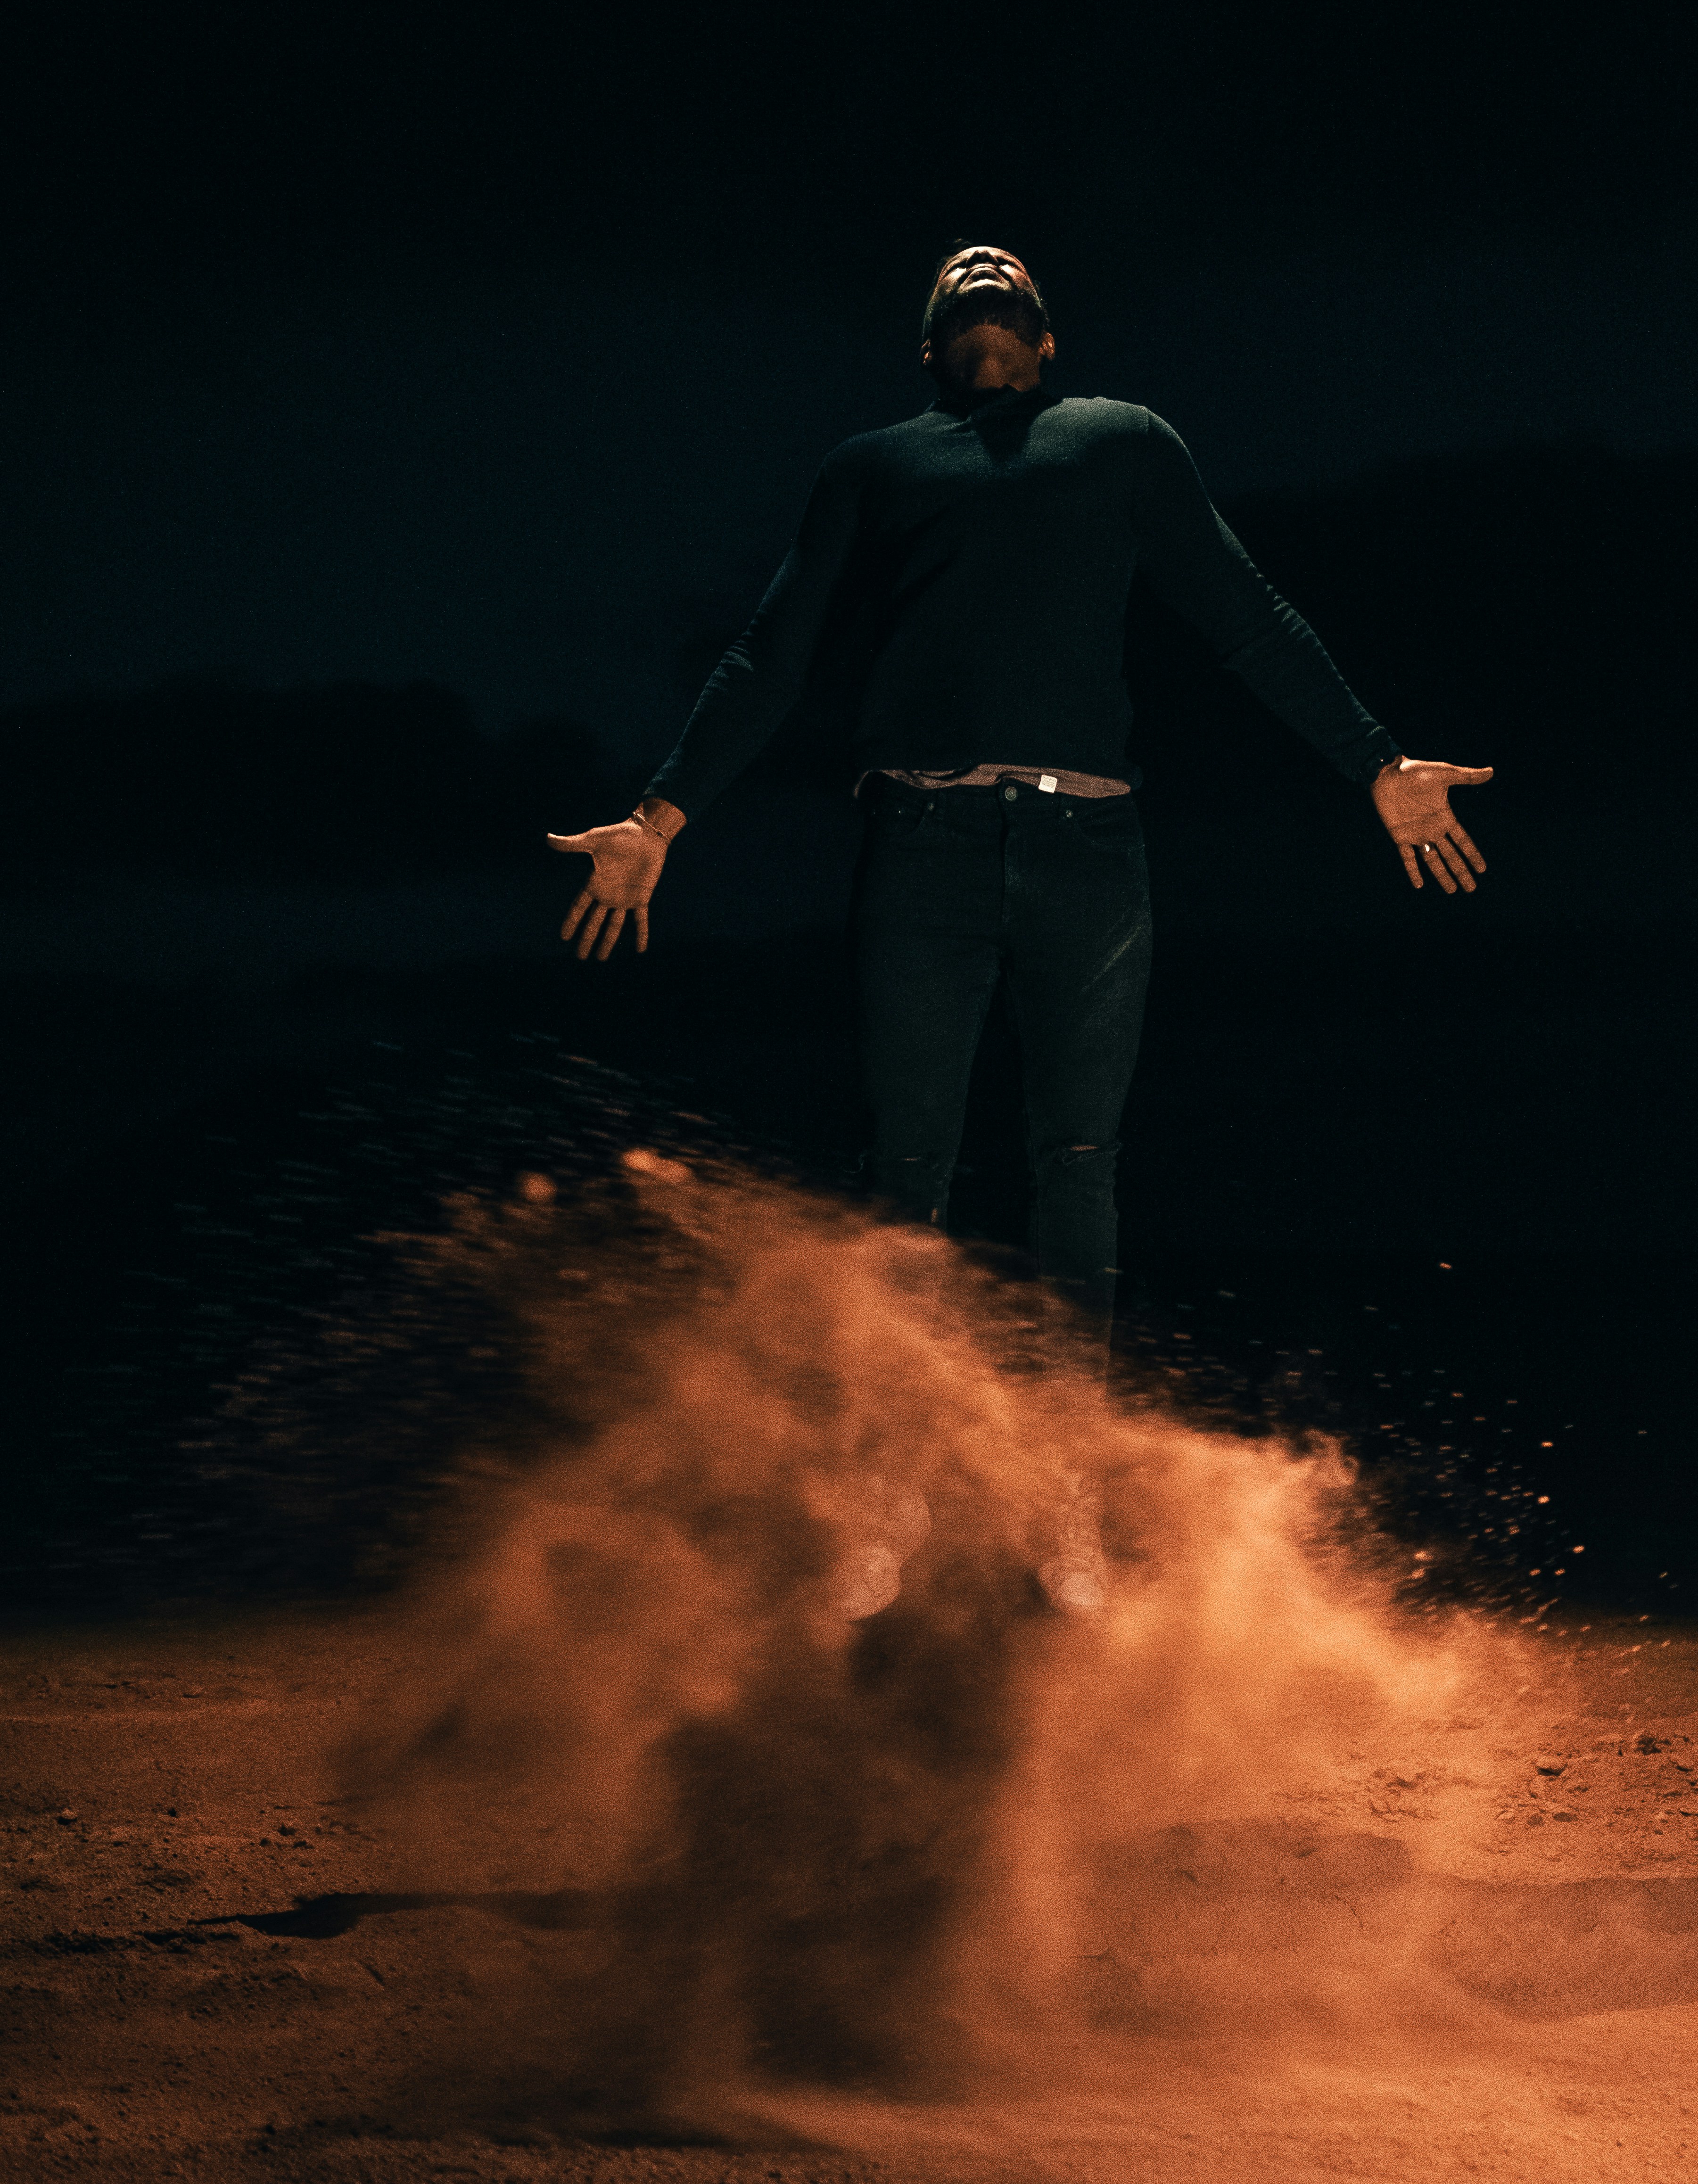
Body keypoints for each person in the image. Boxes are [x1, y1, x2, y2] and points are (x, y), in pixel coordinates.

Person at [550, 245, 1492, 1615]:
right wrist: (661, 817)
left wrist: (1378, 766)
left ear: (1046, 346)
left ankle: (1063, 1499)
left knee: (1077, 1164)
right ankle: (889, 1490)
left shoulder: (1122, 443)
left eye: (1009, 285)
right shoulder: (872, 467)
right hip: (919, 848)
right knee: (906, 1176)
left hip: (1089, 854)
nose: (985, 281)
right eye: (958, 287)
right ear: (932, 351)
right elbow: (772, 653)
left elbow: (1246, 614)